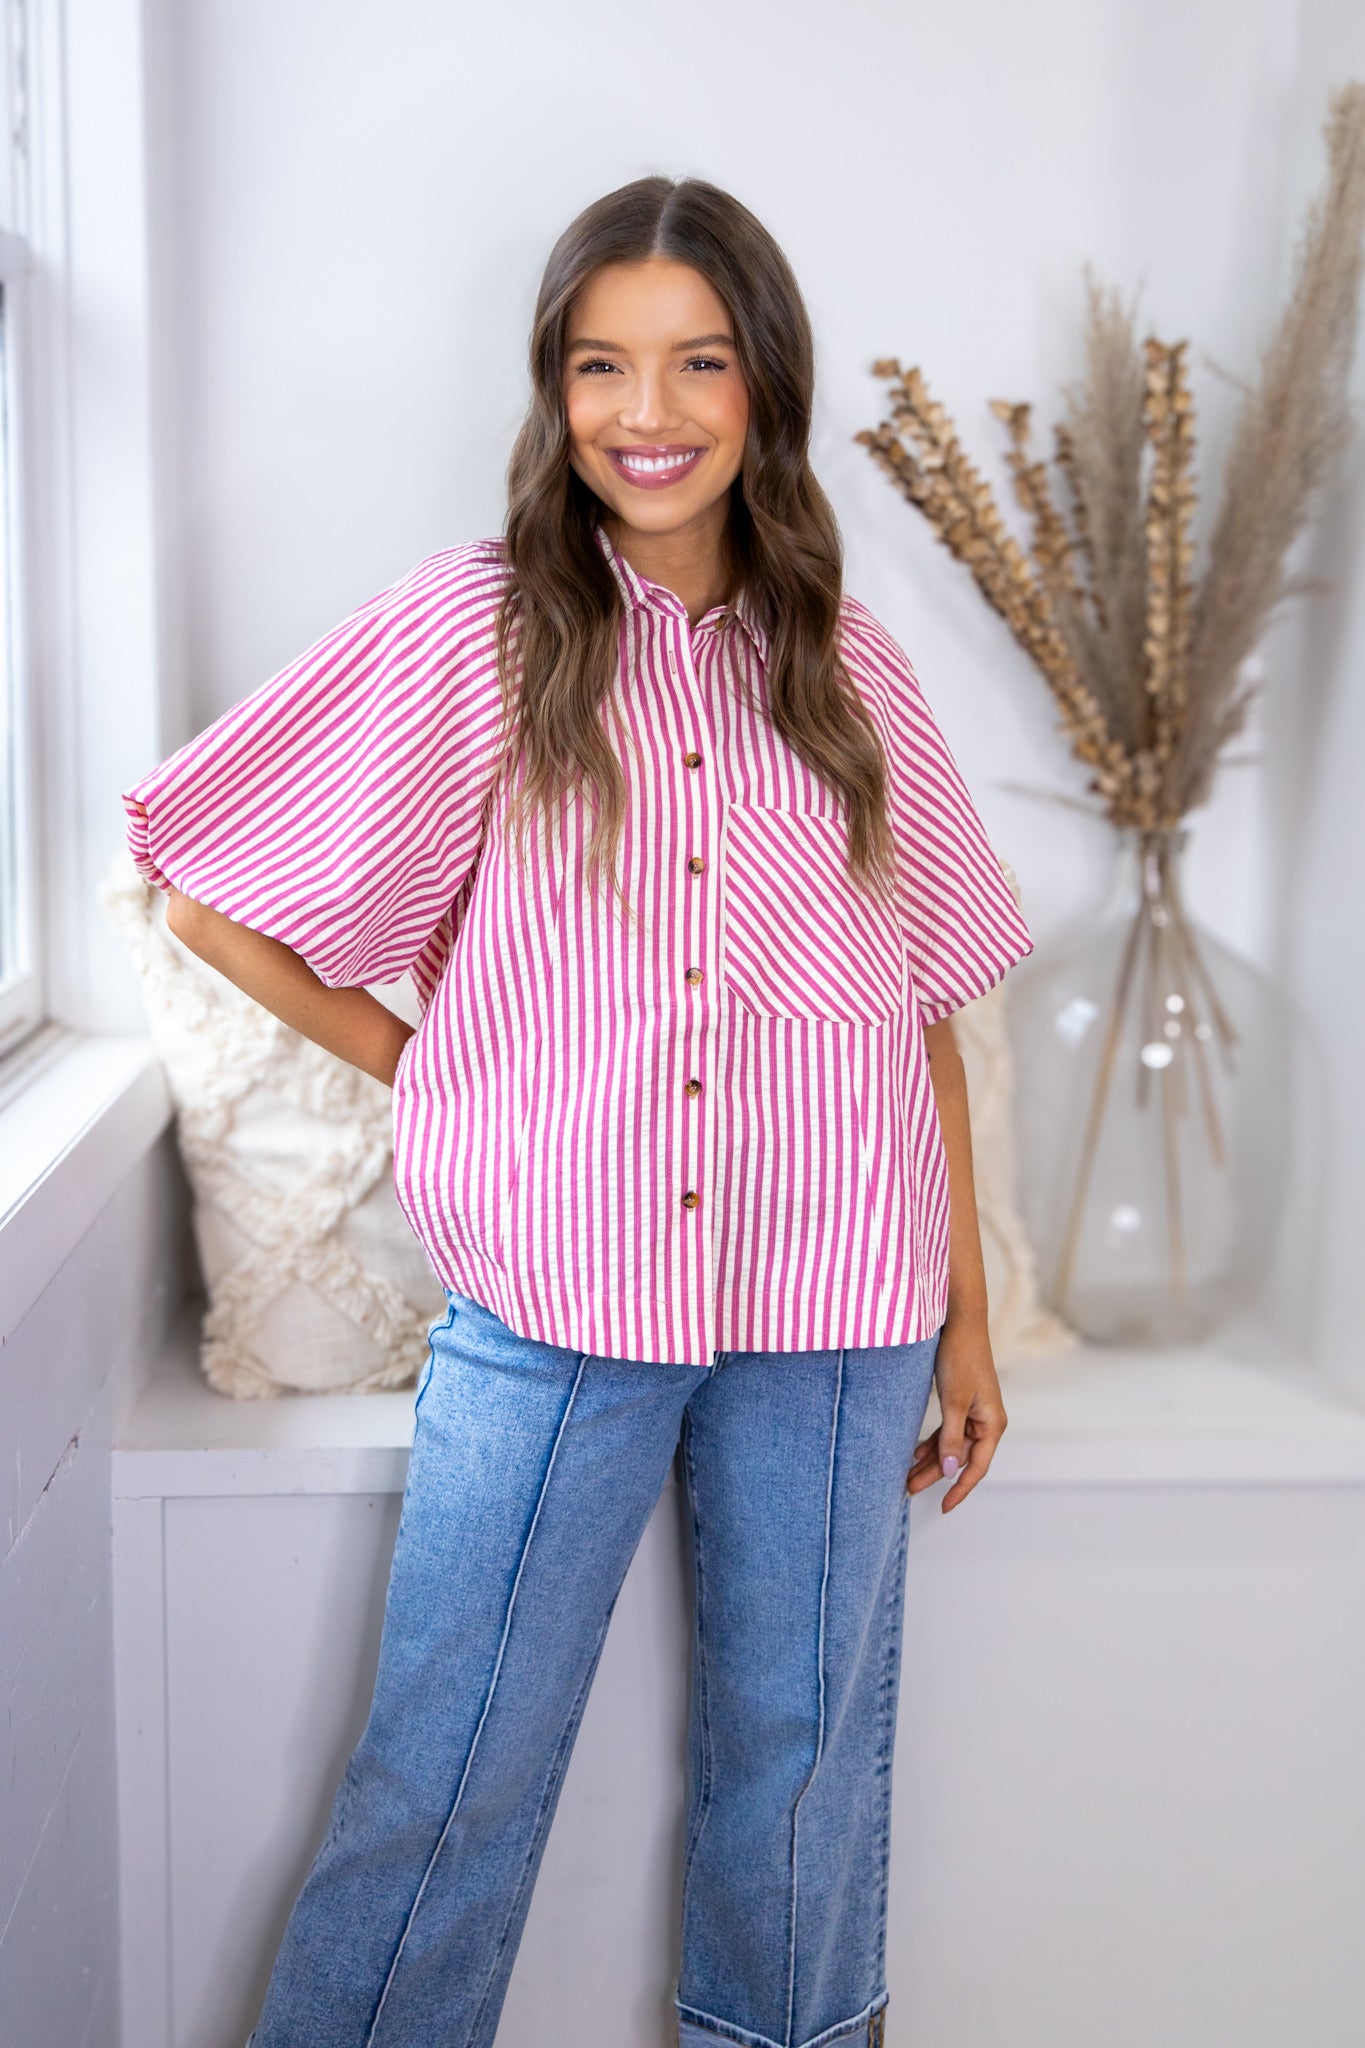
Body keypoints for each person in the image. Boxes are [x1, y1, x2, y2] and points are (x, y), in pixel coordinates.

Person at [123, 174, 1033, 2048]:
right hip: (557, 1305)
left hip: (837, 1312)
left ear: (764, 389)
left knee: (799, 1786)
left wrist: (962, 1306)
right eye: (602, 363)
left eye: (697, 362)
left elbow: (919, 999)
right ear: (553, 390)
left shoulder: (842, 659)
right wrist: (443, 1065)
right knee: (445, 1775)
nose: (649, 410)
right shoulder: (472, 630)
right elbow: (211, 890)